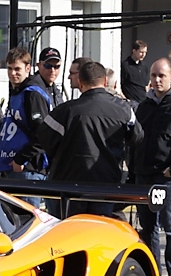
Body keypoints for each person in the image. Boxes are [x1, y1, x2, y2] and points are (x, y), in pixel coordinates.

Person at [38, 61, 142, 216]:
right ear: (105, 81)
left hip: (69, 186)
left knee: (70, 235)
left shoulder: (66, 111)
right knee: (100, 233)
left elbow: (44, 138)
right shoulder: (124, 110)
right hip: (106, 186)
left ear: (80, 82)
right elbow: (138, 138)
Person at [134, 58, 171, 276]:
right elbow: (135, 137)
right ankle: (153, 273)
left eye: (162, 76)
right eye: (154, 75)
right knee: (147, 227)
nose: (157, 80)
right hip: (144, 173)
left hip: (167, 175)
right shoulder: (143, 106)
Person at [0, 47, 52, 207]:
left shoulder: (32, 93)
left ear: (28, 68)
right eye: (9, 68)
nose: (13, 73)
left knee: (25, 222)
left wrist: (21, 159)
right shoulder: (18, 91)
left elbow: (43, 134)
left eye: (17, 69)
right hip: (13, 166)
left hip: (27, 169)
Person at [121, 40, 150, 106]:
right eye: (141, 52)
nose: (143, 55)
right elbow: (121, 84)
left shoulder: (144, 66)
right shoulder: (125, 65)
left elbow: (146, 85)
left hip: (143, 101)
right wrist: (126, 100)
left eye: (145, 52)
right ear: (134, 51)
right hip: (131, 102)